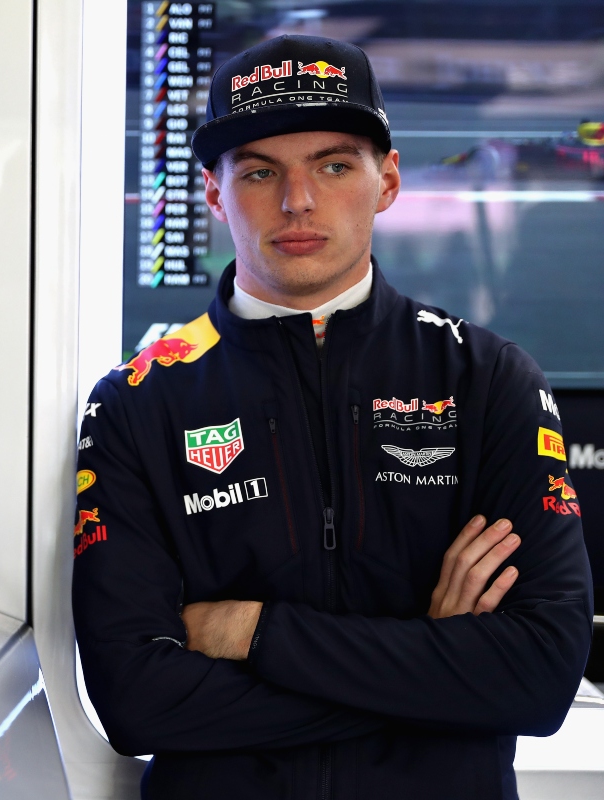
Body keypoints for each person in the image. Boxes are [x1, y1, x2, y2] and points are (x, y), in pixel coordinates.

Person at [73, 34, 592, 800]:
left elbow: (540, 675)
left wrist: (251, 632)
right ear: (213, 195)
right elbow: (137, 701)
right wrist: (434, 667)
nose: (298, 202)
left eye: (334, 165)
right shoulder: (134, 406)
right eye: (259, 172)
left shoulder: (488, 381)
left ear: (386, 182)